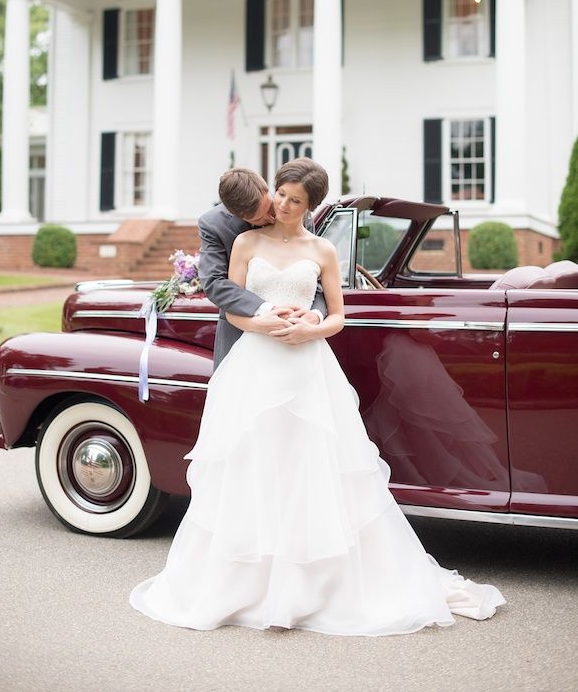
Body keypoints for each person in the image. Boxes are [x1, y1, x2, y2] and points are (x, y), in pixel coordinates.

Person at [130, 157, 505, 635]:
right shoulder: (237, 237)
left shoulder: (319, 243)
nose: (282, 207)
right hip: (254, 361)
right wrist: (264, 318)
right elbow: (222, 290)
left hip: (307, 366)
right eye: (279, 199)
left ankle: (318, 581)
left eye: (292, 200)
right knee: (253, 463)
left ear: (307, 204)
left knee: (311, 462)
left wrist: (313, 327)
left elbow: (334, 312)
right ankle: (244, 580)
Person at [197, 166, 326, 368]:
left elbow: (313, 276)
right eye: (259, 218)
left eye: (269, 208)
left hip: (296, 339)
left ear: (267, 190)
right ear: (237, 215)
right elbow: (214, 283)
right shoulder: (213, 225)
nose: (272, 218)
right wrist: (266, 310)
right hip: (240, 336)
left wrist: (316, 315)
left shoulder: (295, 212)